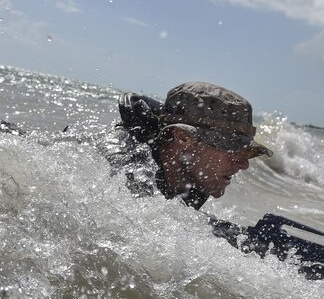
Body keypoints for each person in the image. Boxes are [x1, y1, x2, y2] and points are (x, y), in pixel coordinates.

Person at [110, 82, 271, 209]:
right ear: (183, 138)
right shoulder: (116, 170)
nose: (244, 164)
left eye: (245, 151)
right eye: (232, 148)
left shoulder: (195, 178)